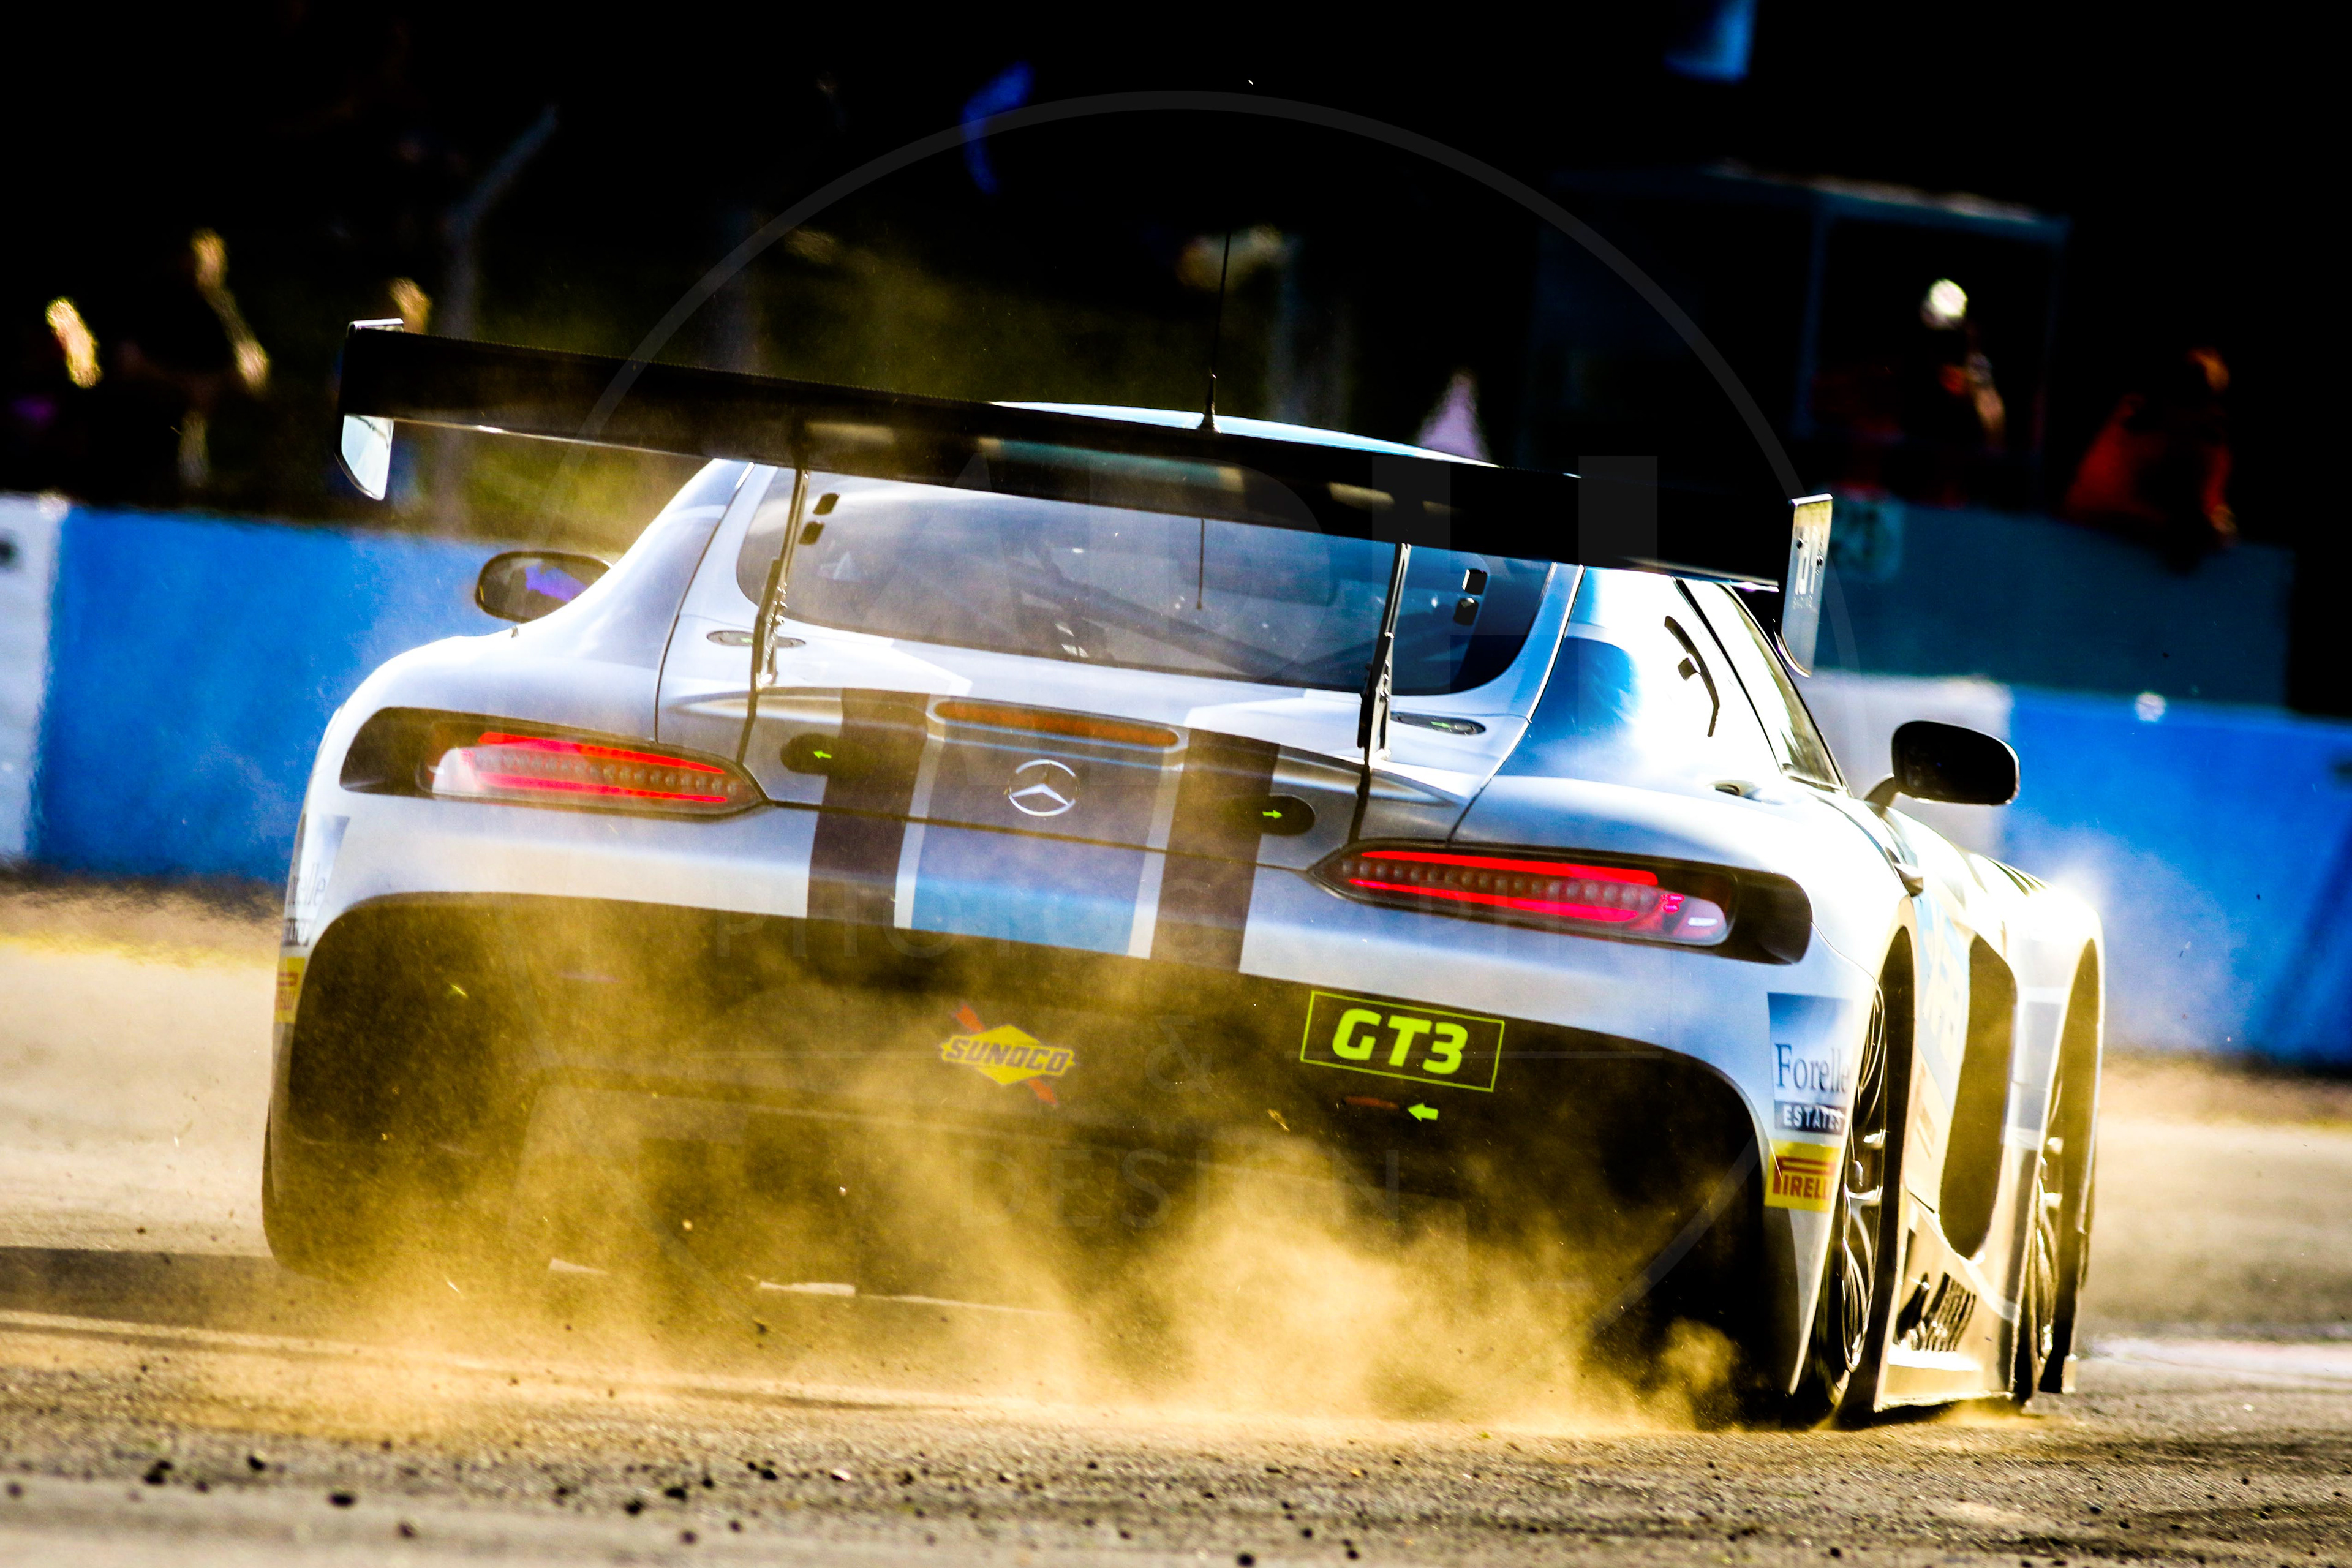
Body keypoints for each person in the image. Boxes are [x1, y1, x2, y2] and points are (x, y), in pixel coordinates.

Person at [2062, 346, 2235, 567]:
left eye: (2201, 399)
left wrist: (2211, 528)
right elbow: (2087, 501)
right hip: (2083, 553)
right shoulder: (2132, 422)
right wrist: (2163, 524)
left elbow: (2215, 524)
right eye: (2185, 391)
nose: (2190, 410)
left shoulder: (2212, 447)